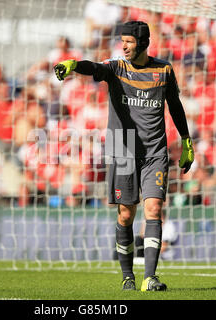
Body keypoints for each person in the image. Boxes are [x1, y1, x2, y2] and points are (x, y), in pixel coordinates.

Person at [53, 21, 194, 291]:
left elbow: (174, 105)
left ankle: (149, 277)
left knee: (153, 208)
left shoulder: (163, 69)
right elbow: (95, 68)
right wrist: (74, 64)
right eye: (122, 41)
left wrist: (186, 140)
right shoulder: (117, 67)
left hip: (155, 150)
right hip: (123, 148)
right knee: (126, 215)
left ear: (142, 43)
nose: (124, 46)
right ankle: (127, 275)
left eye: (128, 41)